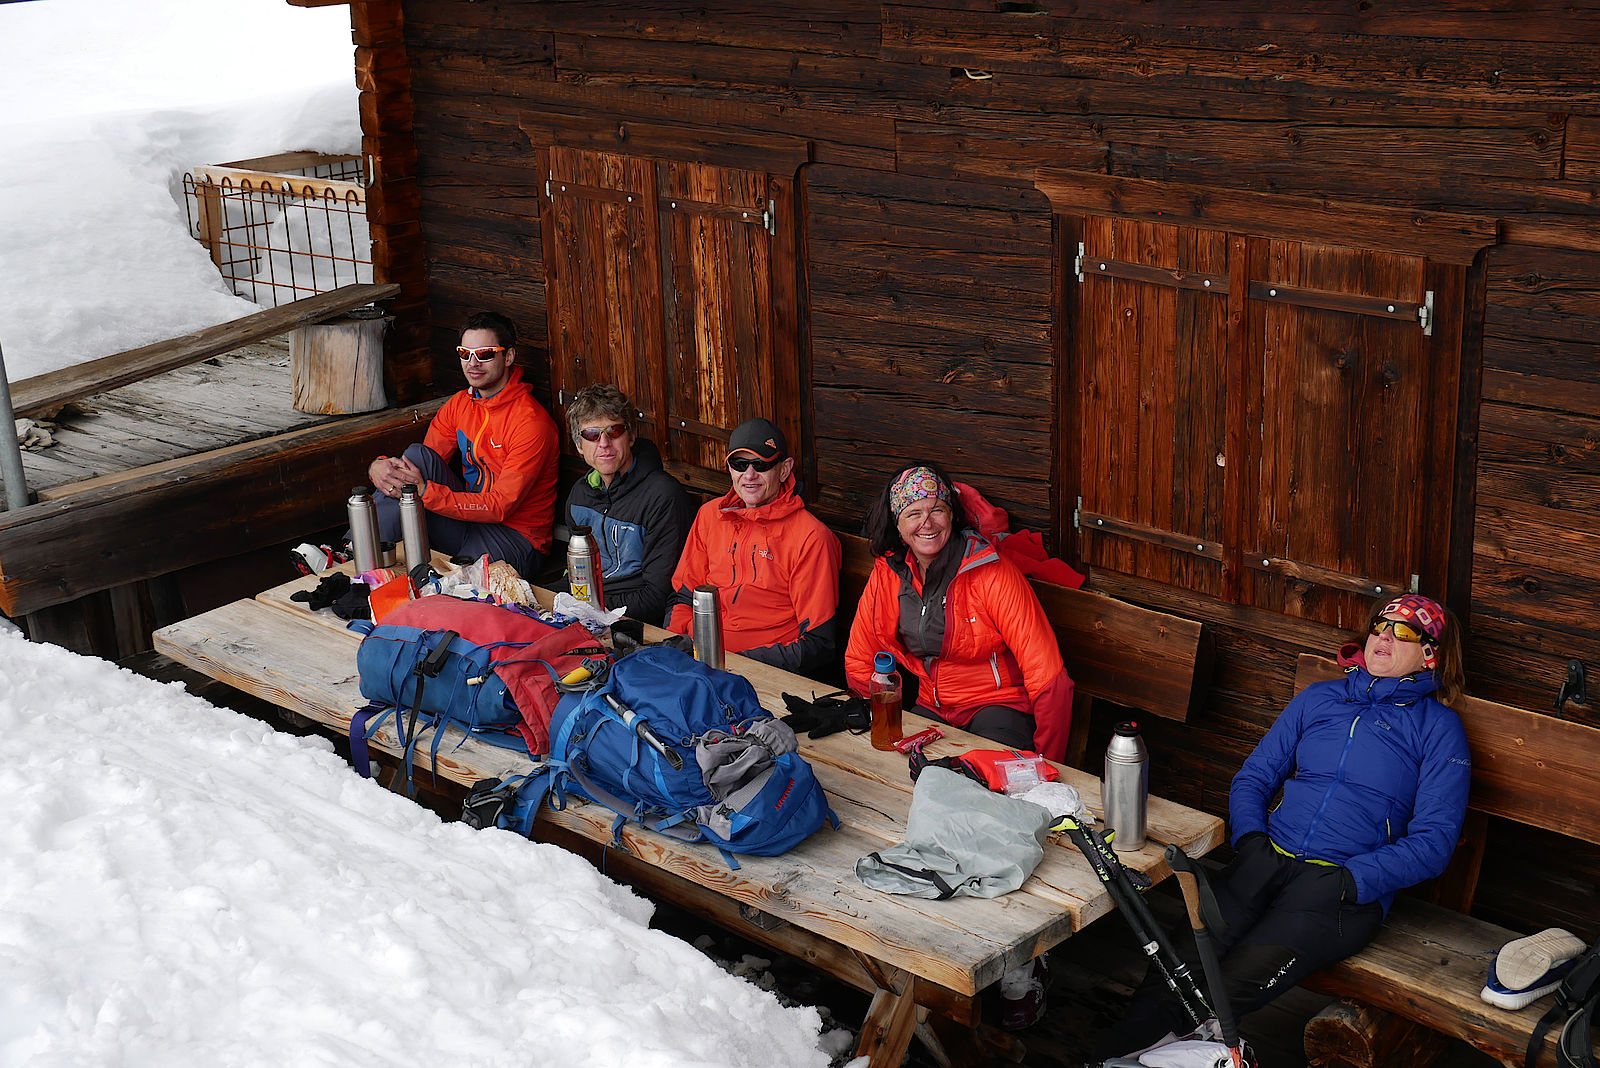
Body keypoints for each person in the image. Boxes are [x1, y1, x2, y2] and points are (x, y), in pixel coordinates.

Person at [1091, 593, 1472, 1062]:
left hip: (1337, 888)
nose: (1384, 636)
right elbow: (1255, 776)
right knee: (1176, 965)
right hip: (1267, 857)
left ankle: (1179, 1054)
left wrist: (1353, 881)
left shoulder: (1438, 728)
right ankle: (1110, 1057)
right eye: (1379, 625)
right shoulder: (1320, 699)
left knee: (1225, 990)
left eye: (1405, 631)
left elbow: (1435, 841)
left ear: (1430, 653)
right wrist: (1251, 837)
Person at [844, 461, 1074, 1031]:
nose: (927, 523)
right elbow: (859, 655)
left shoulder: (991, 574)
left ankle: (1021, 959)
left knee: (985, 821)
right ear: (897, 525)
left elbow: (1049, 678)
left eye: (937, 510)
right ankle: (917, 932)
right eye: (913, 513)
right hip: (930, 712)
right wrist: (892, 688)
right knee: (897, 799)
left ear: (952, 514)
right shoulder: (888, 573)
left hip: (997, 711)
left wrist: (1043, 765)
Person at [366, 311, 559, 577]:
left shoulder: (531, 422)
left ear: (509, 356)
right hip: (466, 522)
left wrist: (426, 493)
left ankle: (373, 562)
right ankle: (354, 550)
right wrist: (378, 466)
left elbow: (500, 507)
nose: (473, 363)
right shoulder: (460, 404)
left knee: (459, 590)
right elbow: (419, 465)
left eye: (485, 354)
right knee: (415, 455)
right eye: (465, 353)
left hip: (515, 537)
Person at [666, 418, 841, 677]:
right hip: (695, 660)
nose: (749, 475)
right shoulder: (709, 516)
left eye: (761, 465)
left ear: (784, 469)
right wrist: (673, 648)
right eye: (740, 464)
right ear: (729, 468)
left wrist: (738, 666)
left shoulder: (811, 537)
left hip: (761, 672)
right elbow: (682, 596)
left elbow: (818, 643)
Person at [564, 384, 694, 626]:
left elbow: (657, 597)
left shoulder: (664, 496)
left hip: (641, 623)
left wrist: (579, 605)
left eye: (614, 431)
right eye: (592, 434)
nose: (603, 443)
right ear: (579, 446)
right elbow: (575, 576)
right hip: (591, 611)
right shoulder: (579, 495)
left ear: (631, 436)